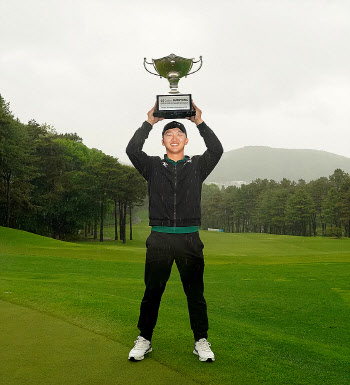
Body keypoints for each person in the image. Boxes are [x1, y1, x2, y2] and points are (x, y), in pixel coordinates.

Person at [126, 101, 223, 362]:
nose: (174, 138)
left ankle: (201, 340)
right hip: (159, 238)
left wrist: (199, 122)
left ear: (187, 140)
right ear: (162, 142)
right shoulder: (153, 167)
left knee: (195, 293)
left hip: (190, 238)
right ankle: (144, 339)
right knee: (152, 292)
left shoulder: (197, 166)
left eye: (179, 134)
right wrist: (149, 122)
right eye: (169, 134)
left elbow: (217, 149)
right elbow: (132, 149)